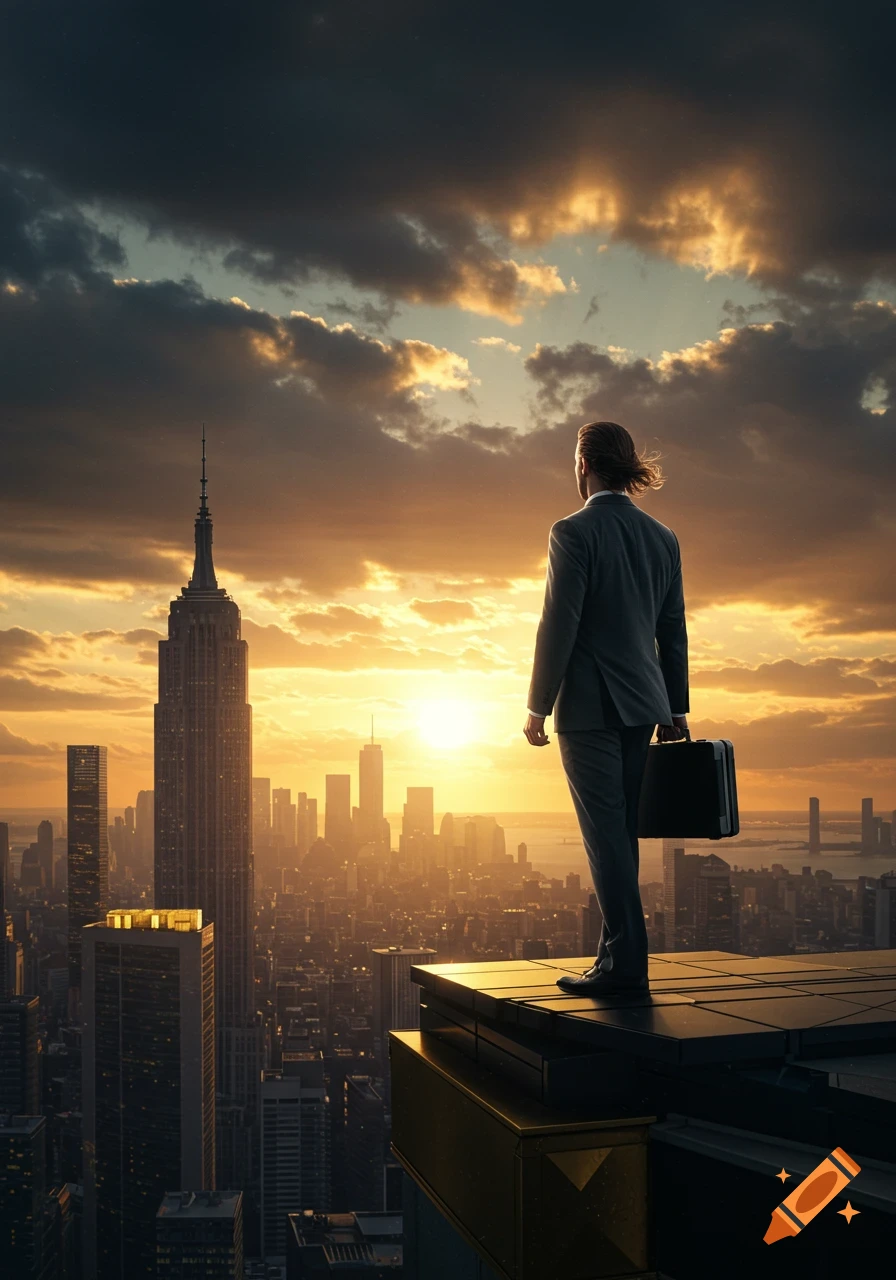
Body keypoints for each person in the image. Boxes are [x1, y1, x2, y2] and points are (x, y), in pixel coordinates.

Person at [524, 421, 689, 995]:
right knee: (622, 835)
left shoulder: (572, 530)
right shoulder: (662, 537)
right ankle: (616, 957)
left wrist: (536, 706)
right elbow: (673, 631)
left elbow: (558, 623)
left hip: (590, 708)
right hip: (645, 705)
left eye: (574, 459)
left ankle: (624, 966)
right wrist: (677, 709)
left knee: (605, 837)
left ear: (585, 465)